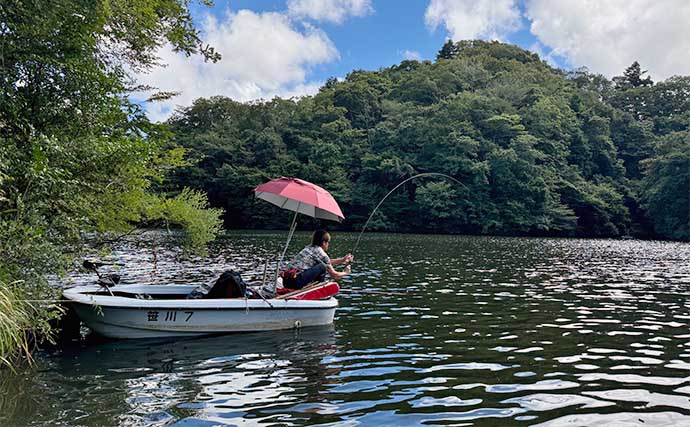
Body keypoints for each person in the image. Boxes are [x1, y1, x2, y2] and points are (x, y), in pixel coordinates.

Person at [281, 229, 353, 289]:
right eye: (328, 242)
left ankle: (311, 286)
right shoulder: (321, 253)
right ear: (324, 242)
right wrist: (345, 272)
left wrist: (343, 260)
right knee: (323, 267)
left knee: (323, 265)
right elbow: (334, 275)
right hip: (295, 283)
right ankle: (317, 288)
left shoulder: (308, 248)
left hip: (286, 282)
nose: (328, 245)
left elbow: (327, 262)